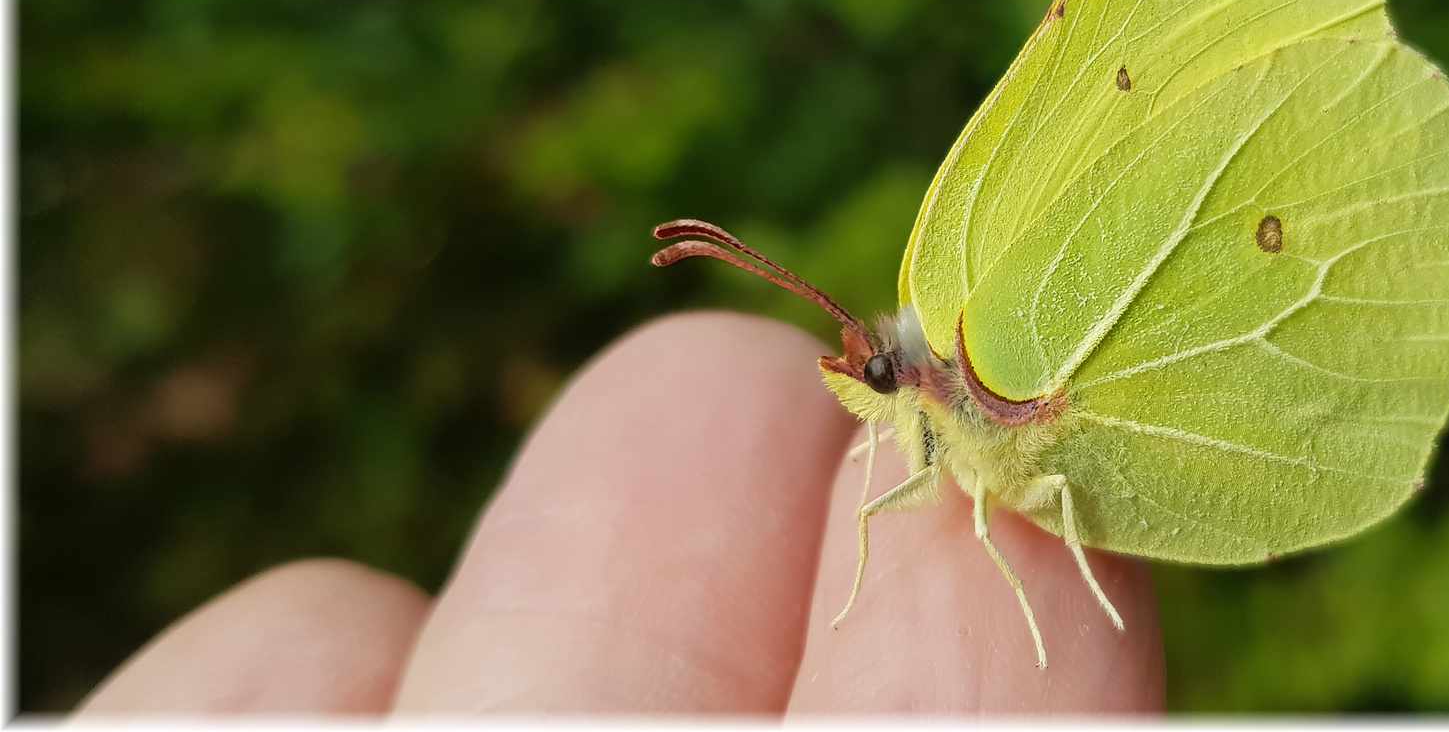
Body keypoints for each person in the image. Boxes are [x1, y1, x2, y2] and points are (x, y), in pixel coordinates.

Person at [75, 313, 1167, 714]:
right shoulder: (916, 414)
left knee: (971, 520)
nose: (863, 390)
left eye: (876, 379)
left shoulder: (946, 381)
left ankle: (1035, 621)